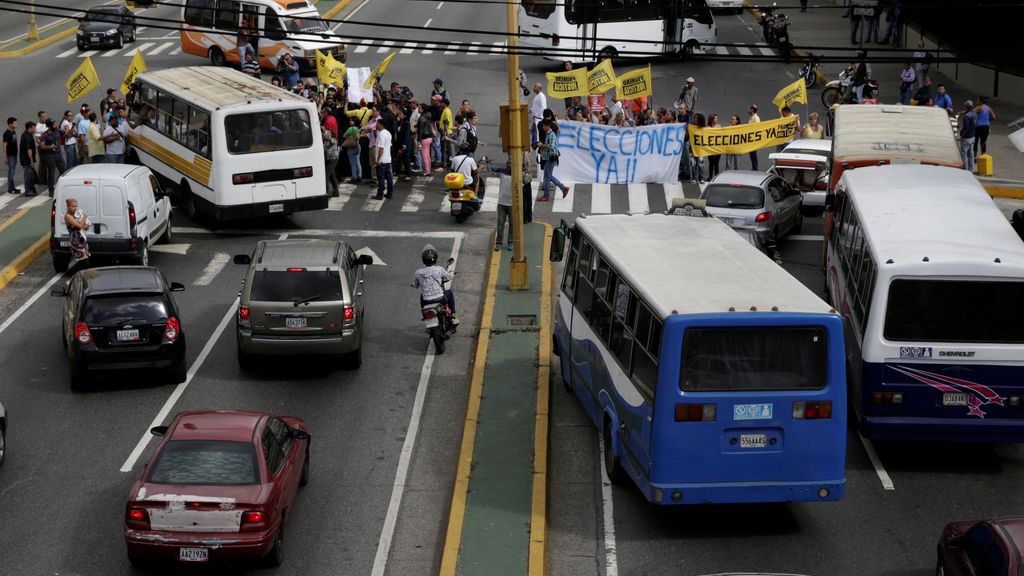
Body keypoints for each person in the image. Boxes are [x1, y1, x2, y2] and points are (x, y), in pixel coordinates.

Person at [413, 244, 457, 325]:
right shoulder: (439, 269)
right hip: (440, 299)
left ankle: (425, 314)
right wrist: (452, 273)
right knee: (449, 293)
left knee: (422, 296)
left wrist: (413, 284)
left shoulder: (418, 272)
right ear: (435, 258)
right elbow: (448, 277)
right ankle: (453, 315)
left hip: (426, 301)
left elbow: (415, 285)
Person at [537, 119, 568, 201]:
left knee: (547, 177)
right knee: (548, 176)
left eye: (544, 126)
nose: (543, 127)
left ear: (548, 126)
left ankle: (546, 195)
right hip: (549, 158)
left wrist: (542, 145)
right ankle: (563, 188)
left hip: (552, 158)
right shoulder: (549, 134)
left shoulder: (551, 135)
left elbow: (551, 146)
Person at [64, 197, 91, 272]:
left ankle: (83, 279)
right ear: (68, 207)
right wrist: (84, 217)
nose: (75, 208)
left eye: (76, 206)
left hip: (81, 240)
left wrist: (85, 225)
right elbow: (79, 226)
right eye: (73, 206)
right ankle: (80, 279)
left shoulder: (76, 215)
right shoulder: (68, 216)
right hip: (76, 242)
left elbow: (83, 227)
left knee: (85, 262)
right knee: (84, 263)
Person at [38, 119, 62, 195]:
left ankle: (59, 187)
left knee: (63, 171)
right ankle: (51, 191)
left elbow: (67, 133)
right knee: (51, 174)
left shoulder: (58, 131)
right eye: (54, 124)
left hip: (59, 155)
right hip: (50, 156)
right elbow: (41, 146)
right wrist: (50, 147)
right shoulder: (45, 134)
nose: (56, 125)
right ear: (50, 126)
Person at [373, 121, 393, 200]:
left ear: (381, 124)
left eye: (377, 124)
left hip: (381, 160)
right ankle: (389, 193)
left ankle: (380, 194)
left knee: (381, 178)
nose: (376, 125)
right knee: (389, 177)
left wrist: (378, 160)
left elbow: (381, 148)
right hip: (388, 159)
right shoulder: (388, 133)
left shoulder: (381, 135)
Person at [19, 121, 37, 196]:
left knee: (30, 175)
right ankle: (28, 191)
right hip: (26, 160)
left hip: (25, 159)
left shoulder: (26, 134)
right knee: (28, 176)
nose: (34, 130)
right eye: (33, 128)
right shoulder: (27, 137)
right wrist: (31, 161)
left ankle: (31, 189)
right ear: (29, 128)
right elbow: (29, 150)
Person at [959, 100, 977, 173]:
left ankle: (965, 169)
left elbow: (966, 128)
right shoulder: (975, 114)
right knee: (971, 153)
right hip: (973, 136)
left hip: (966, 137)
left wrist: (962, 136)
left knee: (964, 153)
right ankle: (971, 168)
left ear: (966, 107)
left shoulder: (966, 116)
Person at [342, 116, 362, 183]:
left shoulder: (350, 128)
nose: (350, 121)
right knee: (357, 162)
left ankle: (354, 178)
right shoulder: (358, 128)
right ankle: (359, 176)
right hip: (357, 146)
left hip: (351, 147)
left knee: (353, 163)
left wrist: (349, 136)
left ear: (354, 121)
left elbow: (344, 136)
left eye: (351, 120)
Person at [322, 124, 339, 196]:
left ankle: (326, 191)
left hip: (333, 159)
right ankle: (336, 192)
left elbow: (329, 139)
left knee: (326, 174)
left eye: (329, 132)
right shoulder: (326, 142)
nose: (327, 133)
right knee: (332, 176)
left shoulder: (334, 140)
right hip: (328, 159)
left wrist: (325, 130)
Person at [3, 117, 18, 193]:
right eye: (15, 123)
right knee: (11, 172)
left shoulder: (13, 132)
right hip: (10, 156)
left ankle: (13, 187)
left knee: (12, 172)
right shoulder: (7, 134)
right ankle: (10, 188)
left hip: (14, 155)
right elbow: (4, 145)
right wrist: (5, 157)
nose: (16, 124)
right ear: (10, 124)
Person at [529, 82, 546, 147]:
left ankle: (536, 145)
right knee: (532, 132)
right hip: (535, 119)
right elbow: (535, 106)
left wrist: (537, 116)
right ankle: (534, 145)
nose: (533, 88)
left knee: (537, 135)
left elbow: (543, 107)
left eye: (535, 87)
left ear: (539, 88)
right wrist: (531, 110)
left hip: (538, 119)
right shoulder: (536, 96)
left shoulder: (541, 96)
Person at [706, 113, 721, 180]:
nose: (716, 119)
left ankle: (716, 177)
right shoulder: (707, 128)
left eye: (717, 118)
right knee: (711, 163)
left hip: (718, 148)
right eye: (715, 118)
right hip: (710, 148)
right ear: (711, 119)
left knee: (717, 163)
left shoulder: (719, 127)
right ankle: (710, 176)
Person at [746, 104, 761, 170]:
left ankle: (755, 169)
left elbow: (757, 129)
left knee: (753, 156)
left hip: (753, 141)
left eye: (748, 108)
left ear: (752, 110)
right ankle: (754, 168)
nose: (747, 110)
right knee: (752, 156)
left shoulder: (756, 118)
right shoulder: (752, 118)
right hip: (751, 140)